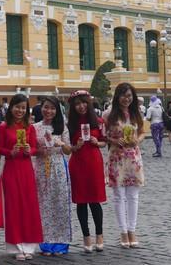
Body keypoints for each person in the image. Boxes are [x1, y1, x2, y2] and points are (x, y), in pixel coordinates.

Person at [0, 94, 43, 260]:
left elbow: (36, 148)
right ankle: (16, 246)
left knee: (28, 205)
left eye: (23, 108)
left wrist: (31, 150)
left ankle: (30, 245)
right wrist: (11, 152)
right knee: (13, 206)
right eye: (17, 107)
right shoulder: (3, 127)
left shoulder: (30, 127)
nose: (20, 110)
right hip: (11, 168)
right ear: (11, 107)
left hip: (26, 169)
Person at [103, 83, 145, 249]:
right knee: (119, 196)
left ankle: (132, 230)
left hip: (133, 157)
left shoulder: (136, 113)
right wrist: (113, 140)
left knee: (133, 196)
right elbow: (102, 135)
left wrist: (138, 140)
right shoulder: (108, 115)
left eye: (129, 96)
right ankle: (123, 231)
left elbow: (142, 132)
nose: (126, 99)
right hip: (116, 157)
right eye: (123, 95)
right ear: (117, 96)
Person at [67, 90, 107, 253]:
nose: (81, 106)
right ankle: (86, 237)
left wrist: (97, 142)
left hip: (94, 163)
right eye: (77, 104)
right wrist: (74, 147)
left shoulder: (98, 121)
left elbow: (105, 142)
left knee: (95, 201)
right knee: (81, 202)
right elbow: (67, 147)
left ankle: (99, 235)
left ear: (88, 104)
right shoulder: (69, 125)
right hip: (78, 163)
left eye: (83, 103)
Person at [33, 96, 72, 256]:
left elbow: (69, 150)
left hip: (58, 167)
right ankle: (45, 243)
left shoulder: (62, 127)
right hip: (42, 168)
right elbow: (33, 150)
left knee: (60, 203)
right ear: (41, 108)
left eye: (52, 108)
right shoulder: (34, 128)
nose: (48, 111)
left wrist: (61, 144)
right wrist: (40, 150)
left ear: (57, 111)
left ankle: (61, 243)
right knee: (43, 204)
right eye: (46, 107)